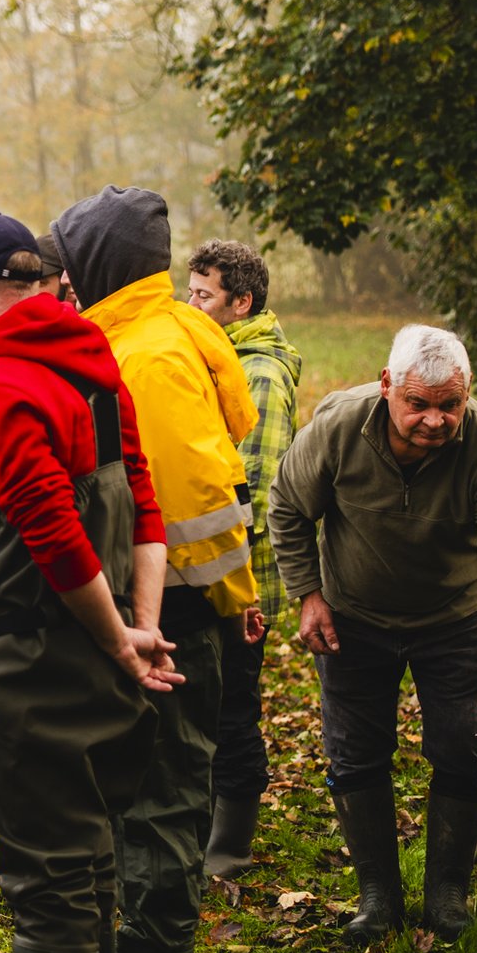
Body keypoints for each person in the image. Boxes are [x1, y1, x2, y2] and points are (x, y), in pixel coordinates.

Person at [0, 212, 178, 953]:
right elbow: (143, 502)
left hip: (34, 673)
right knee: (90, 870)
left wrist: (116, 639)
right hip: (105, 664)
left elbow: (51, 529)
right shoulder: (95, 369)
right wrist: (140, 630)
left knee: (52, 892)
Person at [48, 187, 260, 953]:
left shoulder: (150, 352)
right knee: (120, 803)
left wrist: (226, 600)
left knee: (165, 806)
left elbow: (196, 497)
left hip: (166, 614)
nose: (57, 280)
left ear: (97, 263)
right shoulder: (139, 332)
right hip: (130, 605)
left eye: (68, 263)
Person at [269, 324, 477, 944]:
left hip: (457, 617)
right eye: (418, 404)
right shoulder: (340, 426)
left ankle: (446, 894)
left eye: (450, 405)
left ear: (466, 394)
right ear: (388, 386)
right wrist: (308, 595)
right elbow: (286, 505)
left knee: (463, 747)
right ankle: (377, 897)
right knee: (354, 750)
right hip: (355, 615)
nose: (435, 421)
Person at [185, 239, 302, 878]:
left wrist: (242, 594)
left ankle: (230, 846)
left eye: (203, 295)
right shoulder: (223, 355)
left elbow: (252, 488)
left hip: (240, 577)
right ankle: (207, 824)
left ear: (242, 302)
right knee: (212, 700)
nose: (190, 303)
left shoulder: (255, 371)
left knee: (233, 707)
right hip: (219, 570)